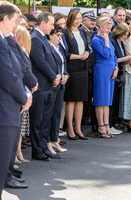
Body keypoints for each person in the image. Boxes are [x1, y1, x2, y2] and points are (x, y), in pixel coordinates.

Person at [0, 1, 32, 194]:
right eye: (15, 20)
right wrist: (25, 96)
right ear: (5, 19)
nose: (17, 25)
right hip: (5, 109)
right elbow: (8, 76)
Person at [30, 12, 61, 160]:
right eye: (50, 24)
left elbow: (52, 58)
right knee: (38, 120)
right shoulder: (35, 38)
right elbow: (40, 61)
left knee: (46, 119)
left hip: (48, 85)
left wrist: (56, 76)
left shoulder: (42, 37)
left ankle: (43, 146)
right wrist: (53, 76)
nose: (52, 27)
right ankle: (37, 150)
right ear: (42, 23)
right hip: (40, 85)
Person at [64, 8, 90, 140]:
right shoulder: (65, 33)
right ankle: (70, 127)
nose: (78, 21)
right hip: (72, 69)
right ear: (70, 18)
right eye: (76, 18)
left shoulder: (83, 32)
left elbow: (87, 48)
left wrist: (86, 53)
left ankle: (78, 128)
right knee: (71, 100)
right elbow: (64, 53)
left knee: (80, 100)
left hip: (83, 68)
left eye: (80, 18)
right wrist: (78, 56)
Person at [92, 17, 118, 138]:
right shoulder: (96, 39)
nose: (109, 30)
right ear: (101, 26)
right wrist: (106, 40)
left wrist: (116, 68)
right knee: (100, 99)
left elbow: (113, 55)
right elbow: (106, 53)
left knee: (107, 101)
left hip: (111, 69)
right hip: (102, 69)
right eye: (107, 28)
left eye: (110, 28)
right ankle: (101, 126)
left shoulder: (108, 38)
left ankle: (107, 125)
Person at [47, 24, 69, 153]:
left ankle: (55, 140)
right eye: (58, 35)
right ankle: (48, 141)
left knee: (57, 113)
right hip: (53, 83)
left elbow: (63, 64)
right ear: (50, 35)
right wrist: (56, 76)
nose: (60, 38)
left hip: (61, 83)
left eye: (61, 35)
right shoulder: (48, 47)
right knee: (49, 114)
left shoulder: (59, 48)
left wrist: (66, 74)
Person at [110, 23, 131, 134]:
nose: (125, 37)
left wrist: (126, 60)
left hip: (120, 71)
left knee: (116, 100)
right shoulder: (112, 41)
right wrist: (124, 59)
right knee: (112, 99)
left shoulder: (120, 42)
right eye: (124, 34)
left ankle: (115, 121)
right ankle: (110, 122)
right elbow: (113, 58)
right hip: (113, 73)